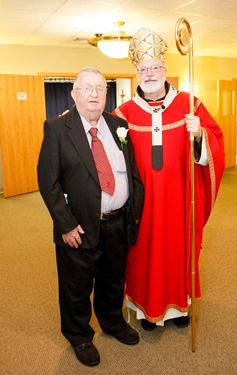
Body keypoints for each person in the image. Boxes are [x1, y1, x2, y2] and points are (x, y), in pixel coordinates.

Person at [113, 28, 225, 331]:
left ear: (165, 70)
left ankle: (180, 306)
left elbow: (216, 141)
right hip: (142, 204)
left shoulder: (190, 104)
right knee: (143, 255)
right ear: (136, 73)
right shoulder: (122, 113)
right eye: (143, 69)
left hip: (180, 200)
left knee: (179, 252)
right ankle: (145, 307)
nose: (150, 73)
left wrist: (200, 133)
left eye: (156, 68)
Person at [37, 67, 144, 366]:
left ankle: (112, 322)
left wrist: (133, 212)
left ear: (106, 94)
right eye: (87, 88)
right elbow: (48, 181)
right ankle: (79, 335)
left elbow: (131, 171)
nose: (94, 95)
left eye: (100, 89)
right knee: (76, 286)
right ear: (74, 94)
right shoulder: (57, 128)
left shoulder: (119, 125)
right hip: (79, 227)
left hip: (117, 223)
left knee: (113, 279)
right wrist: (66, 225)